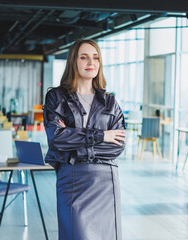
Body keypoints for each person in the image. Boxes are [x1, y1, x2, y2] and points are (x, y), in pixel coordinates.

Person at [43, 39, 126, 240]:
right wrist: (101, 136)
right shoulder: (56, 97)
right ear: (73, 62)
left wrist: (74, 140)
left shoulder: (110, 101)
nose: (91, 62)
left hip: (105, 180)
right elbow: (56, 139)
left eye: (96, 57)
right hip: (71, 178)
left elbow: (117, 147)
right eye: (84, 57)